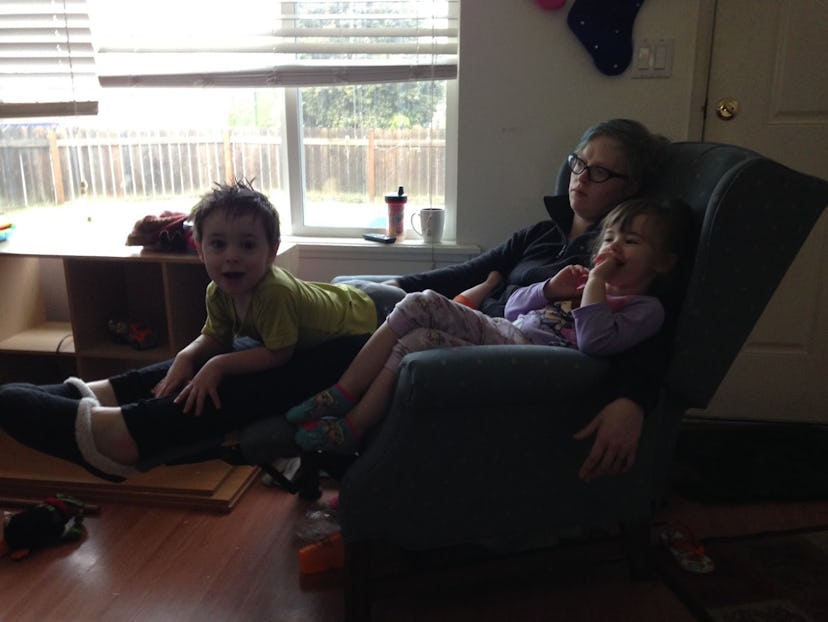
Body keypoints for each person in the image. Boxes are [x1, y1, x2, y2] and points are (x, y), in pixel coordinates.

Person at [0, 118, 671, 484]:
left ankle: (139, 432)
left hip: (471, 352)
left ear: (633, 187)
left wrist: (632, 398)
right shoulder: (543, 233)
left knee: (301, 347)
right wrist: (372, 289)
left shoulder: (620, 258)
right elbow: (465, 272)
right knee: (261, 308)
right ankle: (113, 391)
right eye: (580, 162)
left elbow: (657, 327)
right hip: (429, 314)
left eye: (602, 171)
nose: (583, 177)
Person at [0, 180, 405, 481]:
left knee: (228, 369)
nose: (231, 257)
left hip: (368, 320)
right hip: (335, 310)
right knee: (199, 362)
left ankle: (123, 431)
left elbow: (278, 354)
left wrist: (217, 367)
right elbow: (215, 337)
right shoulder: (218, 290)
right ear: (199, 247)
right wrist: (189, 355)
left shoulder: (274, 293)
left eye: (247, 246)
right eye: (218, 245)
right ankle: (98, 393)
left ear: (272, 248)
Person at [288, 197, 692, 455]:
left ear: (664, 263)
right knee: (413, 338)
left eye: (632, 242)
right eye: (610, 239)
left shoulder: (646, 309)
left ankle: (344, 401)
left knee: (420, 304)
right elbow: (515, 309)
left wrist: (597, 287)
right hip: (506, 331)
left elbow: (594, 341)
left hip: (529, 358)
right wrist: (550, 289)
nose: (614, 248)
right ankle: (351, 420)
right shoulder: (578, 277)